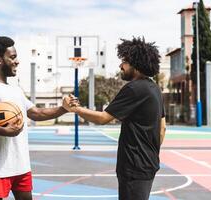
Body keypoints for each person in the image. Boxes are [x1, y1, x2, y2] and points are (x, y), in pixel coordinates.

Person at [63, 37, 166, 200]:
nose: (121, 66)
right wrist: (149, 153)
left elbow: (103, 118)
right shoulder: (155, 88)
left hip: (133, 166)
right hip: (148, 164)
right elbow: (162, 128)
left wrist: (74, 109)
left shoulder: (134, 89)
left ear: (136, 63)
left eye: (124, 61)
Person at [0, 36, 68, 200]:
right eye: (12, 57)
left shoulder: (15, 90)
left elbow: (36, 113)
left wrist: (64, 109)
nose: (17, 61)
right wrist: (4, 131)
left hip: (21, 165)